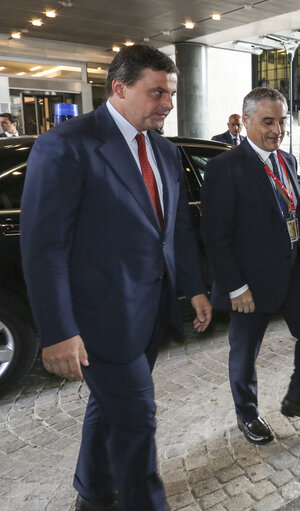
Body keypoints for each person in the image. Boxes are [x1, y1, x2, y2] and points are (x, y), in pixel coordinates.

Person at [20, 44, 213, 511]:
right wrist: (59, 331)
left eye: (170, 92)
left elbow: (176, 230)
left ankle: (92, 492)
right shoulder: (67, 143)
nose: (167, 102)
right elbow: (44, 247)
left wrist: (196, 287)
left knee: (109, 409)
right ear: (120, 89)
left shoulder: (165, 151)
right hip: (97, 321)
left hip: (150, 315)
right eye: (156, 92)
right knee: (136, 420)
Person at [201, 87, 300, 447]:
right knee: (244, 352)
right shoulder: (224, 168)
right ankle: (247, 413)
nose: (277, 130)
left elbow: (297, 215)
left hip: (294, 276)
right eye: (268, 121)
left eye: (282, 121)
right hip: (250, 286)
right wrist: (235, 287)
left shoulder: (286, 161)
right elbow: (216, 236)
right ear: (245, 121)